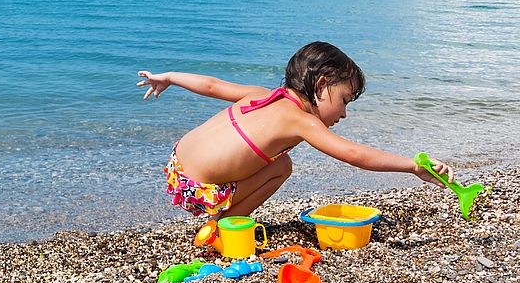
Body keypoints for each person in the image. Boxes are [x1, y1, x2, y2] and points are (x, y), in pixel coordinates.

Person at [137, 41, 454, 219]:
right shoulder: (302, 121)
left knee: (269, 156)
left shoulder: (261, 94)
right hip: (198, 189)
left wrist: (168, 77)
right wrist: (412, 166)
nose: (344, 112)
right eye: (344, 100)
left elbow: (210, 84)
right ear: (321, 85)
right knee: (283, 166)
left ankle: (223, 214)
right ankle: (224, 223)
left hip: (176, 167)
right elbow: (355, 154)